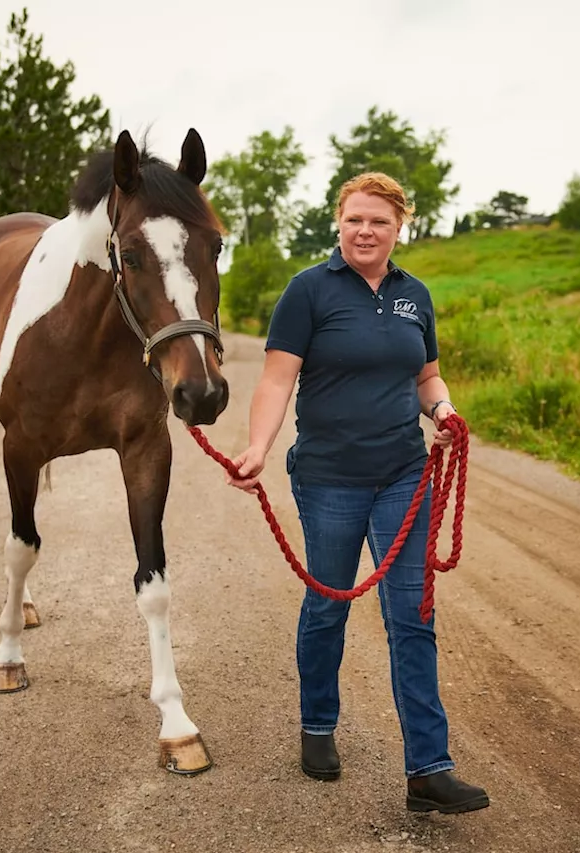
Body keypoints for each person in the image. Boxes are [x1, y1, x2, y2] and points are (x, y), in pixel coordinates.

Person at [225, 172, 489, 815]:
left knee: (412, 618)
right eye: (353, 220)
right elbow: (275, 381)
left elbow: (426, 377)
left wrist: (445, 411)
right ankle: (318, 726)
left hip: (404, 475)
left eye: (378, 221)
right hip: (327, 478)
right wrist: (258, 446)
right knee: (328, 605)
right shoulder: (308, 292)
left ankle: (428, 769)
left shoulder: (415, 295)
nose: (364, 231)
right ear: (337, 224)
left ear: (401, 227)